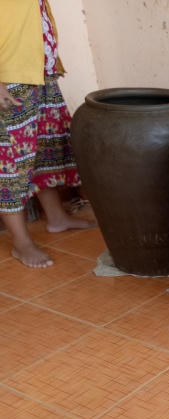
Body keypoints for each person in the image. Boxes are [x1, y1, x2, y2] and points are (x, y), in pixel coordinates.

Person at [0, 0, 93, 268]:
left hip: (38, 71)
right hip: (9, 77)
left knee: (44, 151)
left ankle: (57, 217)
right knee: (11, 164)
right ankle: (21, 242)